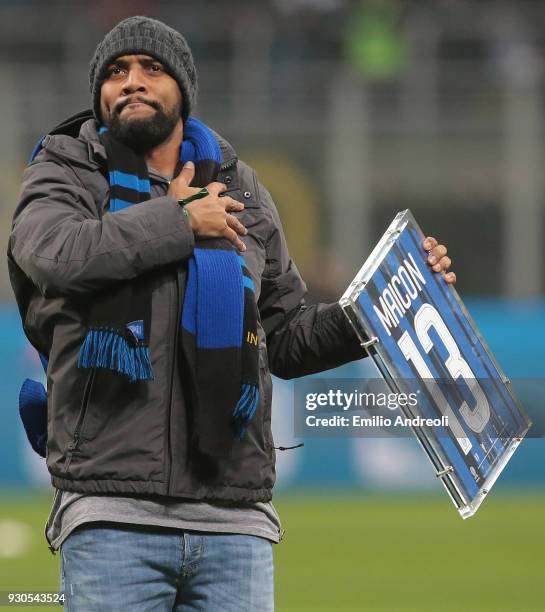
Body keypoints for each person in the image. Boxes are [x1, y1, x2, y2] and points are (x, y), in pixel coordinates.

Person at [7, 16, 455, 612]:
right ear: (98, 94)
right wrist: (179, 221)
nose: (132, 81)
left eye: (151, 69)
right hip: (112, 511)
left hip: (235, 519)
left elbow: (286, 336)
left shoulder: (243, 190)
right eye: (116, 72)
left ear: (184, 90)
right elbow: (55, 255)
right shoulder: (67, 171)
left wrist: (383, 307)